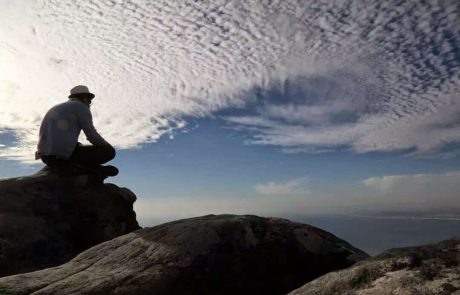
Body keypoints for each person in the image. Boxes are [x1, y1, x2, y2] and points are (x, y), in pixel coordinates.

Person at [36, 85, 118, 176]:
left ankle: (81, 167)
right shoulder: (81, 107)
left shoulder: (57, 107)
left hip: (45, 157)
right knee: (109, 152)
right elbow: (91, 134)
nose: (89, 103)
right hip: (61, 157)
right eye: (89, 100)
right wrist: (107, 146)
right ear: (84, 97)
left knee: (79, 146)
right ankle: (87, 169)